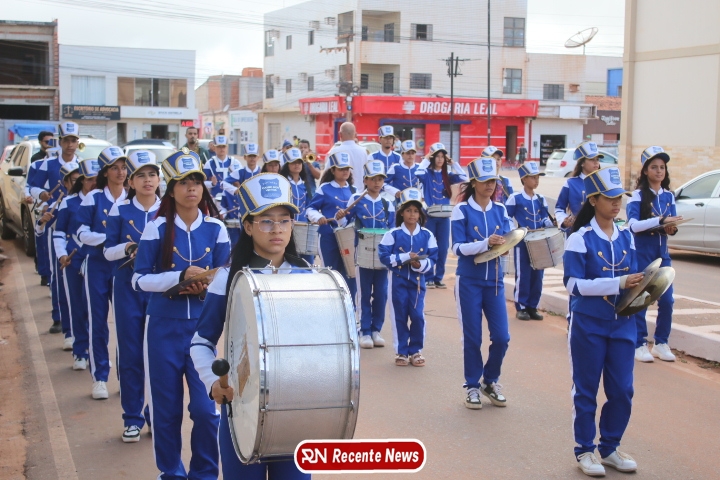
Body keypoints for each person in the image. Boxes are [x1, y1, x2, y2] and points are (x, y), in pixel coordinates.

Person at [190, 173, 311, 480]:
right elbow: (201, 341)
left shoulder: (308, 276)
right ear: (247, 227)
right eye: (266, 221)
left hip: (295, 410)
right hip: (242, 409)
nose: (277, 229)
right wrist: (213, 383)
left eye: (284, 221)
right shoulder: (228, 277)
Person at [132, 150, 229, 479]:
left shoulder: (216, 228)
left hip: (203, 331)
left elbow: (227, 275)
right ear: (170, 190)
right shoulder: (156, 228)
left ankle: (204, 473)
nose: (192, 189)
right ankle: (171, 473)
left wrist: (206, 285)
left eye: (197, 182)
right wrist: (179, 277)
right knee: (166, 410)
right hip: (163, 328)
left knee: (206, 410)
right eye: (184, 183)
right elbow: (139, 279)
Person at [563, 166, 642, 477]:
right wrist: (617, 283)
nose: (616, 203)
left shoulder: (626, 236)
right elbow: (573, 284)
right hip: (588, 324)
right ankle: (585, 449)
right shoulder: (579, 238)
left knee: (622, 389)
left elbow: (635, 278)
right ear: (593, 200)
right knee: (586, 389)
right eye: (609, 198)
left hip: (623, 323)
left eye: (619, 197)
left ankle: (609, 448)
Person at [104, 150, 161, 442]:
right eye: (141, 175)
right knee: (130, 353)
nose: (147, 180)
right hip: (127, 288)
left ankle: (155, 414)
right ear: (131, 181)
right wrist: (128, 248)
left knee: (158, 354)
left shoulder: (168, 210)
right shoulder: (120, 209)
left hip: (159, 290)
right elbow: (107, 251)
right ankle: (132, 417)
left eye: (152, 174)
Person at [451, 157, 513, 409]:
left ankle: (490, 380)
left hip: (495, 281)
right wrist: (486, 243)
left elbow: (509, 238)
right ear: (474, 183)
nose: (490, 185)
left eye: (493, 181)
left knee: (502, 337)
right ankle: (472, 386)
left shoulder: (501, 209)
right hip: (469, 281)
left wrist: (507, 245)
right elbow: (457, 248)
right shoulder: (461, 210)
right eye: (485, 181)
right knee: (473, 337)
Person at [76, 146, 128, 399]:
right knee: (98, 321)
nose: (121, 172)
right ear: (105, 172)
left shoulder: (131, 198)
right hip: (97, 266)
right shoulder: (93, 198)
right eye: (114, 168)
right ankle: (100, 377)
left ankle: (125, 377)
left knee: (126, 324)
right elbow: (81, 233)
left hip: (123, 269)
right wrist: (110, 240)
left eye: (124, 167)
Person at [626, 146, 681, 363]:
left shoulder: (668, 196)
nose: (659, 171)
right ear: (645, 170)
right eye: (654, 167)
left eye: (662, 167)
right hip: (642, 253)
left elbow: (671, 223)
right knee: (642, 299)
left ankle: (661, 343)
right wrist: (660, 221)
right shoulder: (637, 195)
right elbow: (633, 225)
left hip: (663, 254)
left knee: (667, 300)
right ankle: (639, 343)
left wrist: (671, 228)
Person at [378, 188, 438, 367]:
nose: (412, 214)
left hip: (418, 282)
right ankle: (402, 351)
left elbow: (433, 258)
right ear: (401, 212)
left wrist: (420, 265)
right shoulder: (392, 234)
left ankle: (416, 350)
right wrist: (405, 257)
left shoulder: (427, 235)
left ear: (420, 214)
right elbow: (384, 257)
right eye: (408, 210)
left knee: (417, 315)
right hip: (398, 281)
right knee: (400, 315)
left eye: (416, 211)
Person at [28, 122, 83, 307]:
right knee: (56, 267)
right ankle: (58, 311)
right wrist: (42, 194)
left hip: (76, 219)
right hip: (54, 218)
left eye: (73, 140)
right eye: (66, 140)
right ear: (60, 142)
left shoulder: (82, 165)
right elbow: (32, 186)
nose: (70, 145)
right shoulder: (48, 164)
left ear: (77, 142)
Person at [54, 158, 100, 371]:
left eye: (96, 179)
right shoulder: (69, 202)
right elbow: (59, 232)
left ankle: (97, 354)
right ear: (81, 181)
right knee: (77, 306)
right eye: (89, 179)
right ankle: (80, 352)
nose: (93, 183)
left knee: (97, 310)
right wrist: (62, 254)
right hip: (74, 259)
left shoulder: (103, 201)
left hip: (97, 260)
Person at [346, 160, 395, 349]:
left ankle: (376, 329)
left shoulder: (388, 202)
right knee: (364, 292)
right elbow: (344, 223)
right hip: (363, 253)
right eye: (373, 179)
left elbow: (392, 229)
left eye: (380, 179)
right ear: (365, 180)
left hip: (382, 254)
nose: (377, 183)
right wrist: (341, 216)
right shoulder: (356, 198)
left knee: (381, 293)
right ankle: (364, 330)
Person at [504, 161, 554, 320]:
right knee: (523, 274)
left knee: (538, 275)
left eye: (537, 177)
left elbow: (544, 217)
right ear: (524, 179)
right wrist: (515, 231)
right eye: (532, 177)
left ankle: (533, 305)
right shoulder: (515, 198)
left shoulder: (540, 198)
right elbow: (506, 217)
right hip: (523, 242)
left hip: (539, 242)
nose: (536, 181)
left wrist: (549, 225)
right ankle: (521, 306)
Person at [306, 152, 358, 305]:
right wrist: (318, 217)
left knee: (350, 273)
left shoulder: (355, 190)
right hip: (328, 236)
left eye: (347, 168)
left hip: (349, 238)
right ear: (333, 170)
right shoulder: (325, 188)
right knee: (331, 271)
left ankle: (350, 307)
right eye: (341, 169)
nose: (345, 171)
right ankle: (332, 306)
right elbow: (310, 209)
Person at [418, 142, 467, 289]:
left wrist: (453, 163)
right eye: (437, 156)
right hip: (430, 215)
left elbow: (464, 177)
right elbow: (418, 173)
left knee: (443, 247)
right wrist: (426, 159)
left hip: (444, 216)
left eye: (442, 156)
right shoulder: (427, 173)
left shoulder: (448, 175)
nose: (440, 159)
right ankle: (428, 277)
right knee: (429, 246)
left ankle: (438, 277)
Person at [555, 142, 603, 234]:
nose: (596, 162)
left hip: (599, 232)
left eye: (597, 159)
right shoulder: (570, 183)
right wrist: (564, 220)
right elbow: (559, 208)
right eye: (591, 159)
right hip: (577, 231)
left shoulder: (603, 183)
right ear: (582, 163)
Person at [281, 148, 314, 264]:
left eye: (299, 162)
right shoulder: (283, 183)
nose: (297, 165)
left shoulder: (305, 184)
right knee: (288, 257)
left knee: (307, 259)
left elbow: (310, 205)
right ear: (287, 165)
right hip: (287, 226)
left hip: (304, 226)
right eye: (293, 162)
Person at [328, 122, 369, 190]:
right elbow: (366, 173)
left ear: (340, 134)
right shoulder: (363, 151)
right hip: (359, 192)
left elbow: (327, 173)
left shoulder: (335, 151)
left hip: (340, 191)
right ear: (355, 135)